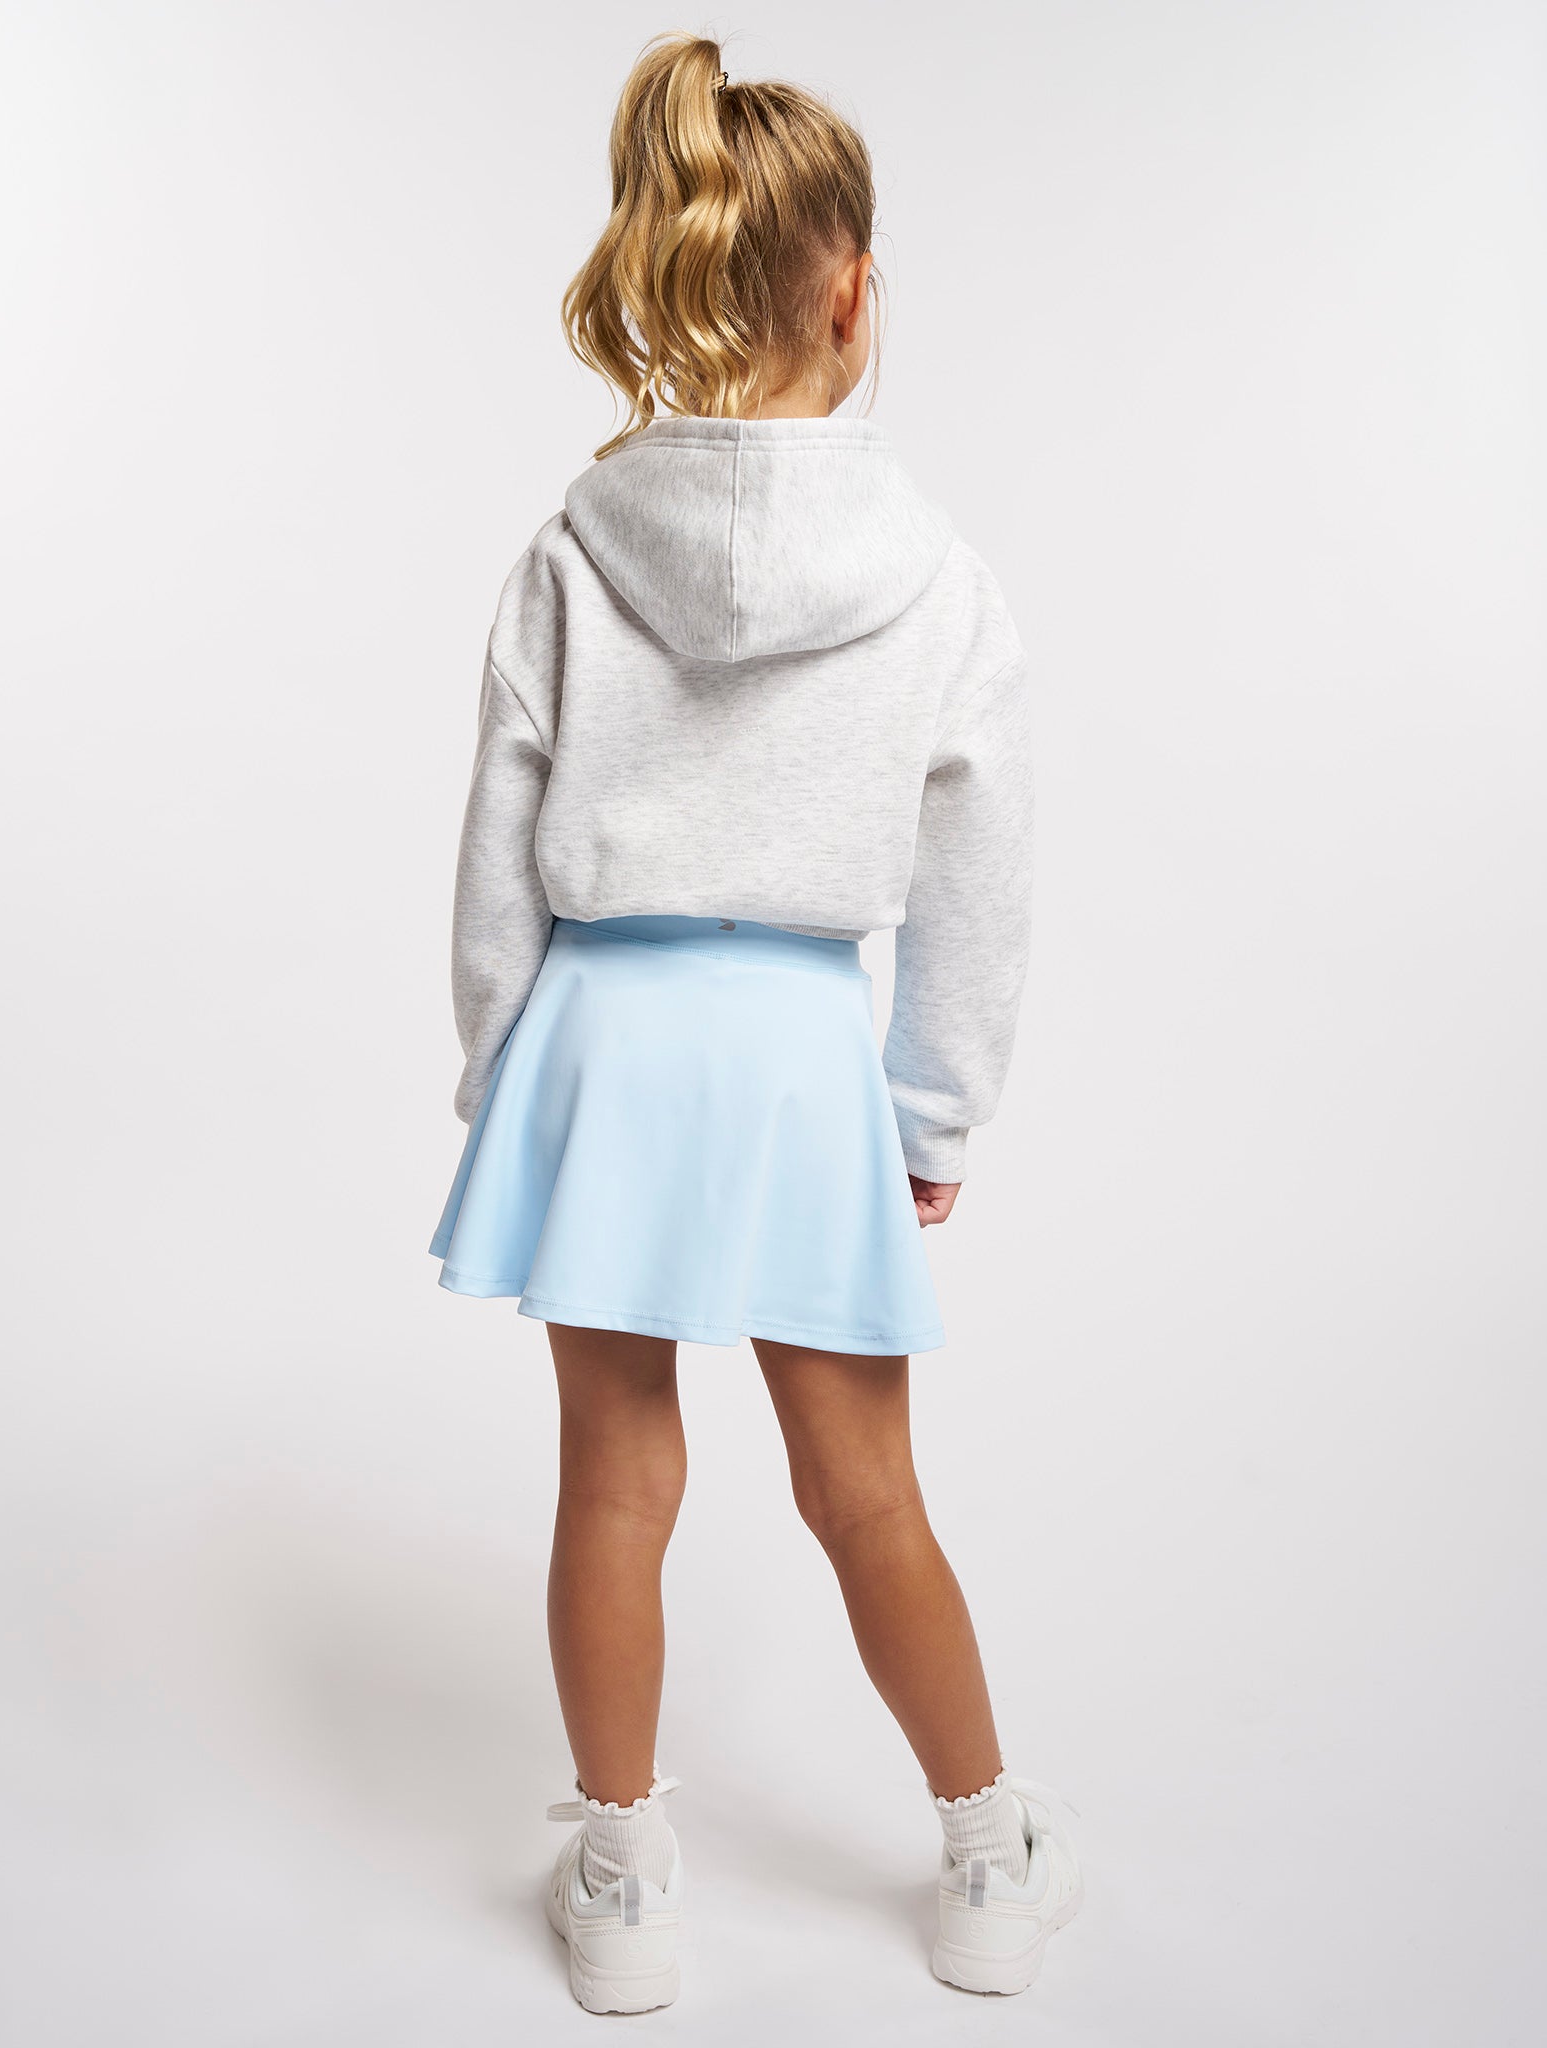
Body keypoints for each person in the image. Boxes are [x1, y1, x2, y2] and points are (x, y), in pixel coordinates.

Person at [428, 31, 1081, 2014]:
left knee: (614, 1480)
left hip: (604, 1040)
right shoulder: (941, 580)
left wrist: (506, 1079)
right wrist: (933, 1112)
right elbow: (981, 877)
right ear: (853, 289)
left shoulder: (571, 550)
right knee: (865, 1489)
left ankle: (625, 1881)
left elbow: (498, 849)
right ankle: (986, 1850)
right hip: (802, 1059)